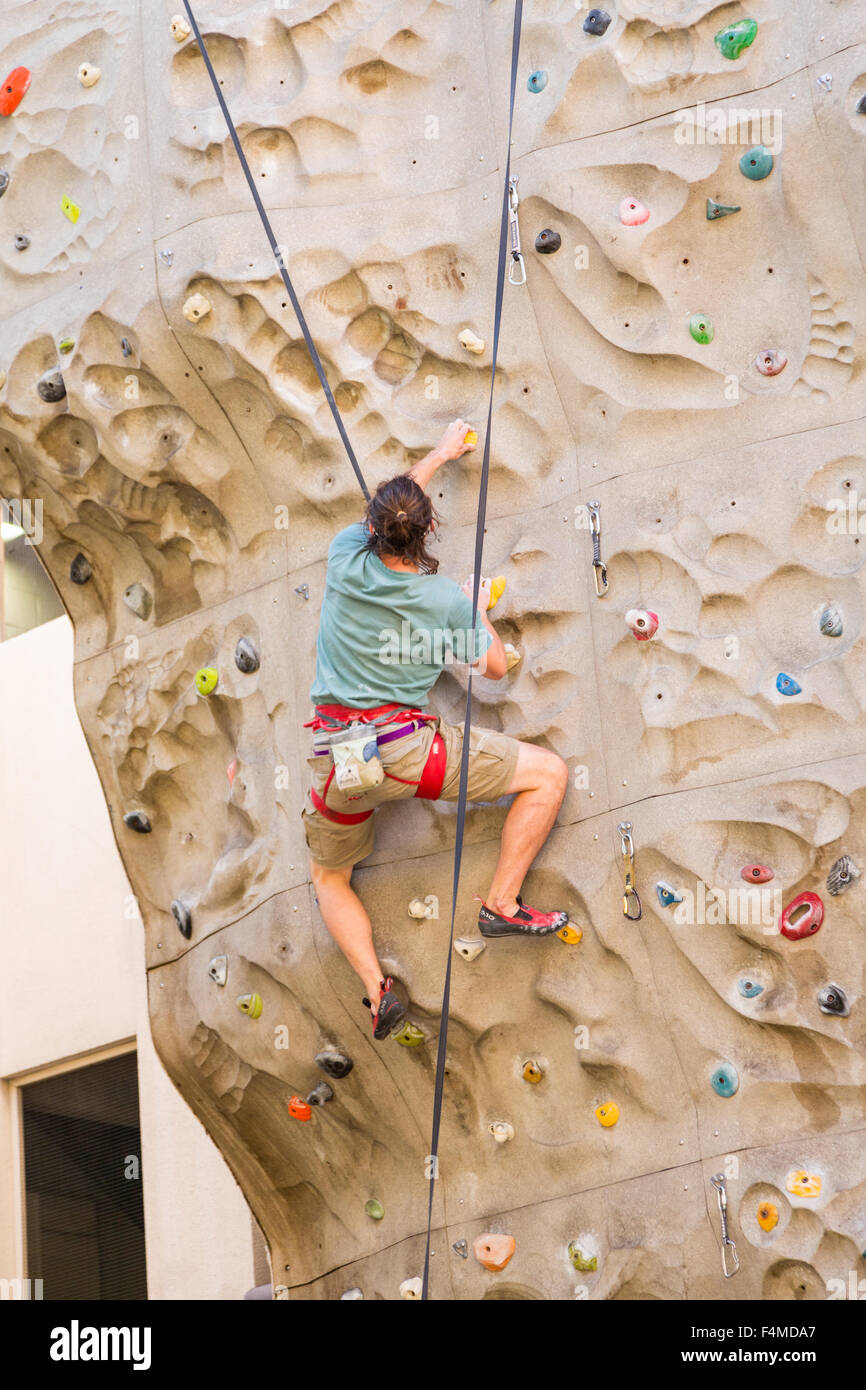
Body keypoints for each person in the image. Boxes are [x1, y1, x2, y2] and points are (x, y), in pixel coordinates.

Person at [302, 419, 570, 1039]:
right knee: (547, 776)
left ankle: (376, 990)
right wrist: (475, 611)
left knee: (328, 877)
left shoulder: (345, 557)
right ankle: (502, 904)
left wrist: (437, 456)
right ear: (427, 532)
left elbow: (385, 513)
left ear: (372, 529)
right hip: (409, 752)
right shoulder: (444, 600)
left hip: (340, 760)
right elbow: (496, 669)